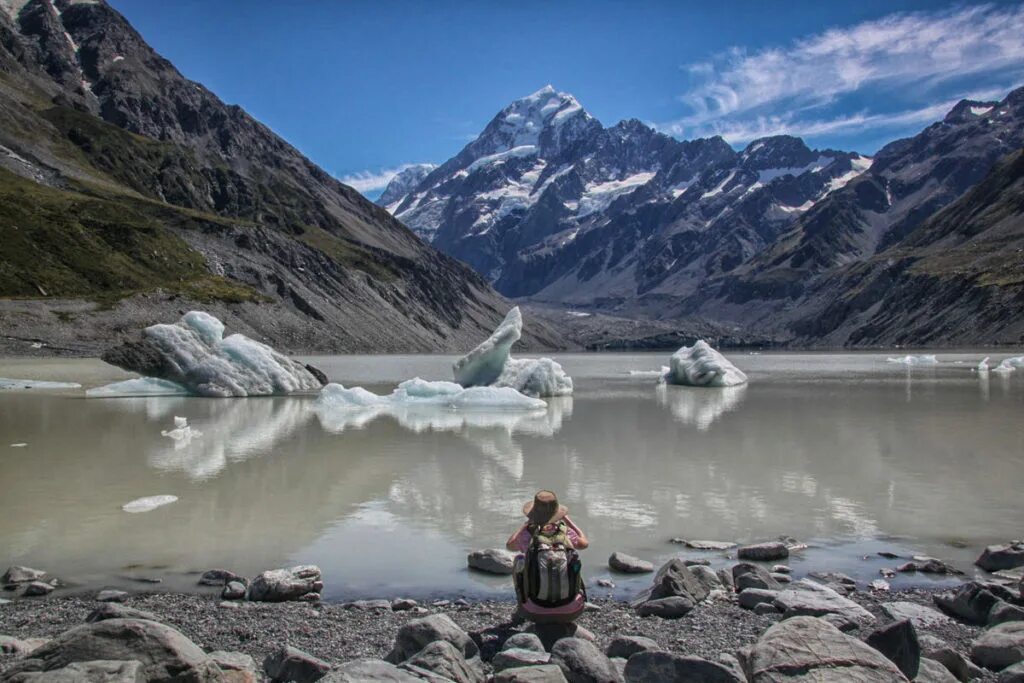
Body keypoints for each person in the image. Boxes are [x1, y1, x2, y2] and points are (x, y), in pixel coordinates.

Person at [507, 490, 589, 624]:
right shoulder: (565, 533)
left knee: (519, 560)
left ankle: (521, 607)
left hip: (534, 610)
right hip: (572, 610)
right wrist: (567, 520)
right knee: (573, 561)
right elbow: (584, 543)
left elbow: (510, 545)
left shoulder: (528, 534)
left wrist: (526, 524)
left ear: (533, 514)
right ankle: (569, 595)